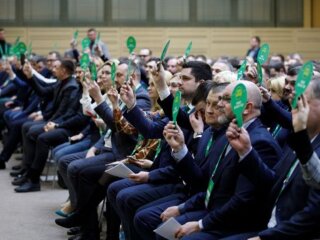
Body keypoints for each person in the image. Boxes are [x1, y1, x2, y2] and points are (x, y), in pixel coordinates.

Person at [224, 77, 320, 240]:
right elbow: (271, 183)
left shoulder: (301, 141)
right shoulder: (296, 141)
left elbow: (312, 216)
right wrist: (246, 152)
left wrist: (264, 237)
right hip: (268, 224)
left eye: (301, 101)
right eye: (293, 102)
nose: (294, 108)